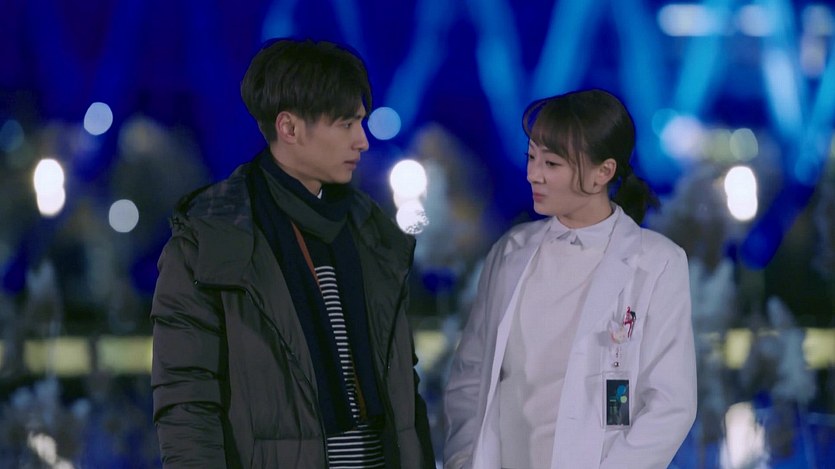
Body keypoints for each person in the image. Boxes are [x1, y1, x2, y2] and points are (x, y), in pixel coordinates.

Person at [150, 38, 435, 468]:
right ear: (289, 128)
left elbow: (404, 391)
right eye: (346, 124)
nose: (362, 141)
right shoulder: (210, 239)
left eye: (361, 123)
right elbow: (186, 399)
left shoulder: (373, 235)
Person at [443, 89, 697, 469]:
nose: (533, 174)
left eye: (551, 163)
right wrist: (464, 458)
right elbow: (471, 374)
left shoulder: (658, 262)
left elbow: (671, 404)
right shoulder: (511, 251)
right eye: (531, 158)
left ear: (602, 172)